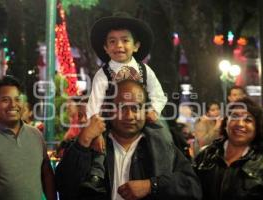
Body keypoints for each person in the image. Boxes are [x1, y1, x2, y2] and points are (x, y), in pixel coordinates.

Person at [55, 80, 202, 200]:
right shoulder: (94, 146)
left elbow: (192, 187)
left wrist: (151, 186)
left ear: (146, 111)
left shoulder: (162, 147)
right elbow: (63, 186)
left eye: (136, 108)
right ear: (109, 109)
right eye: (122, 107)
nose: (129, 116)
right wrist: (83, 142)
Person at [83, 12, 169, 190]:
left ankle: (164, 170)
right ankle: (97, 173)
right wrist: (96, 130)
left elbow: (158, 94)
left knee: (163, 136)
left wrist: (154, 110)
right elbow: (94, 103)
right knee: (101, 146)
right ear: (106, 48)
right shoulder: (103, 74)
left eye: (125, 40)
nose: (119, 45)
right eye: (112, 41)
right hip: (112, 119)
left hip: (143, 117)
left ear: (136, 46)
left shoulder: (145, 70)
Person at [194, 97, 263, 200]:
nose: (240, 124)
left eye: (248, 120)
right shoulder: (205, 156)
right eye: (235, 117)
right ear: (226, 123)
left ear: (258, 127)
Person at [0, 75, 56, 200]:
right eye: (5, 100)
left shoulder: (36, 135)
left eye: (17, 99)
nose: (13, 105)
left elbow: (47, 175)